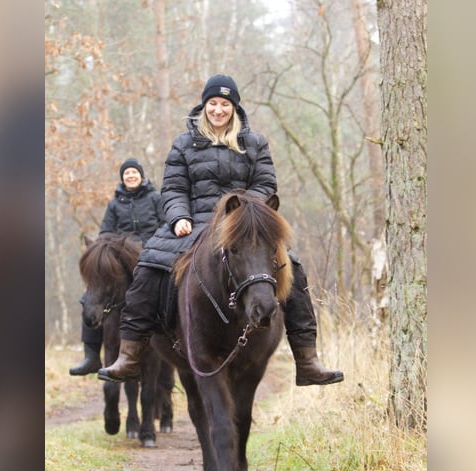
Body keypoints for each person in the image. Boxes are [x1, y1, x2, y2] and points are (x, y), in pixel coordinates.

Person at [99, 74, 343, 387]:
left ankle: (307, 360)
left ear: (234, 107)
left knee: (293, 268)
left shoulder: (255, 143)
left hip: (243, 226)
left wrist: (243, 215)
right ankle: (130, 356)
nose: (218, 110)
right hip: (194, 224)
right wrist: (177, 217)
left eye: (224, 104)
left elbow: (265, 185)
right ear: (204, 106)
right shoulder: (183, 143)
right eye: (212, 103)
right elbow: (173, 188)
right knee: (148, 268)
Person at [69, 158, 165, 375]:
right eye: (127, 173)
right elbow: (105, 233)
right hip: (121, 261)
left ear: (142, 176)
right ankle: (92, 356)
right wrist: (104, 251)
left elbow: (165, 225)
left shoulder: (155, 198)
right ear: (122, 178)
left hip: (152, 255)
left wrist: (150, 247)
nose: (131, 176)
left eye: (134, 172)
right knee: (89, 296)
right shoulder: (114, 204)